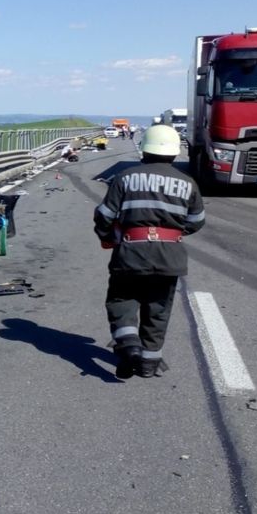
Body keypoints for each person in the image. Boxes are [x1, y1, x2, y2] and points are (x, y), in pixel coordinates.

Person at [93, 125, 206, 379]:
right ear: (175, 153)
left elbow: (105, 215)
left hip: (130, 253)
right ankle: (148, 362)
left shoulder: (125, 177)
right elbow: (197, 220)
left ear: (144, 149)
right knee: (159, 307)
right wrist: (172, 234)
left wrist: (108, 236)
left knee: (122, 299)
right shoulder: (188, 183)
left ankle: (129, 345)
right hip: (170, 256)